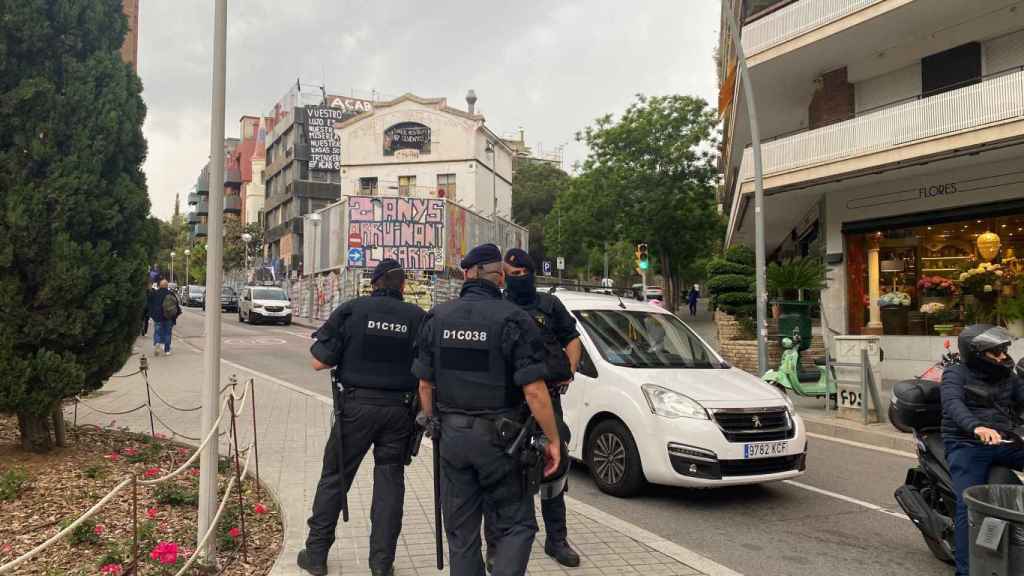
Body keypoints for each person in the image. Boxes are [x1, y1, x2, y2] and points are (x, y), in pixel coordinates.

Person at [413, 243, 561, 576]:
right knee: (516, 526)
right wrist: (552, 440)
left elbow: (425, 385)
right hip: (502, 443)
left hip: (451, 438)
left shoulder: (438, 316)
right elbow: (535, 390)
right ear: (499, 278)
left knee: (462, 534)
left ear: (468, 274)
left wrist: (433, 424)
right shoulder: (514, 318)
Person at [297, 259, 426, 576]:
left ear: (374, 283)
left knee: (335, 478)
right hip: (400, 412)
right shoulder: (419, 318)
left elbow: (318, 362)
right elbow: (428, 373)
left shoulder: (353, 310)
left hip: (355, 409)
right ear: (402, 286)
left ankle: (315, 556)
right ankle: (381, 564)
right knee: (390, 484)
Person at [481, 248, 581, 570]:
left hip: (547, 399)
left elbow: (572, 338)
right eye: (510, 277)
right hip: (509, 402)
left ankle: (557, 539)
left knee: (555, 467)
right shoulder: (497, 307)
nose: (515, 282)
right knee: (501, 473)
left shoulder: (550, 305)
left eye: (521, 276)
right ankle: (495, 544)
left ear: (531, 274)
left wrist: (570, 371)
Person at [941, 324, 1024, 576]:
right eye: (995, 352)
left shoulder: (1007, 376)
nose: (1002, 357)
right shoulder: (955, 374)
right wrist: (976, 427)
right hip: (968, 444)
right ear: (976, 354)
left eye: (1004, 350)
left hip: (1004, 440)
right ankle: (966, 571)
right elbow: (953, 404)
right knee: (969, 504)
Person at [147, 279, 179, 356]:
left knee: (157, 332)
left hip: (158, 317)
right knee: (168, 333)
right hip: (168, 317)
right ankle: (167, 350)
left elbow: (149, 304)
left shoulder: (155, 293)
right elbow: (176, 306)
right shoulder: (171, 294)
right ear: (167, 286)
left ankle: (157, 342)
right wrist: (175, 316)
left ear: (159, 286)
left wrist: (152, 314)